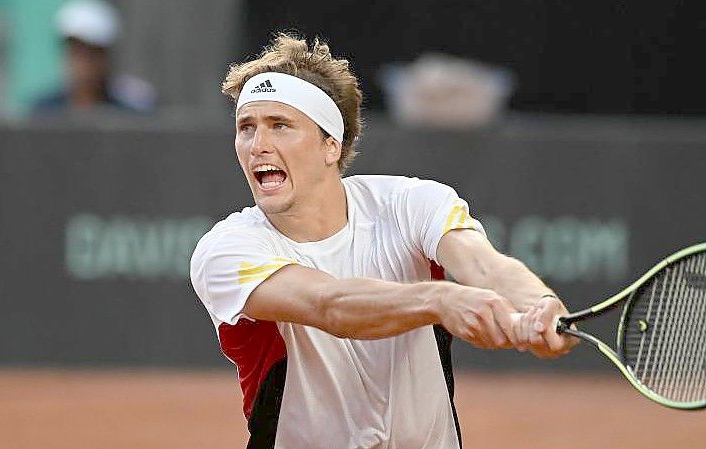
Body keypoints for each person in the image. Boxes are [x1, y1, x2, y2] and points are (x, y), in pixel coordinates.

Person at [190, 33, 577, 449]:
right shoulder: (226, 251)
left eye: (280, 126)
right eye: (246, 128)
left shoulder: (409, 203)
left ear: (330, 145)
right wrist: (440, 301)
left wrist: (538, 306)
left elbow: (484, 265)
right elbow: (330, 305)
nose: (258, 146)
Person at [32, 0, 155, 115]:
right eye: (76, 52)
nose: (83, 63)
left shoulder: (128, 113)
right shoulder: (43, 112)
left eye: (92, 53)